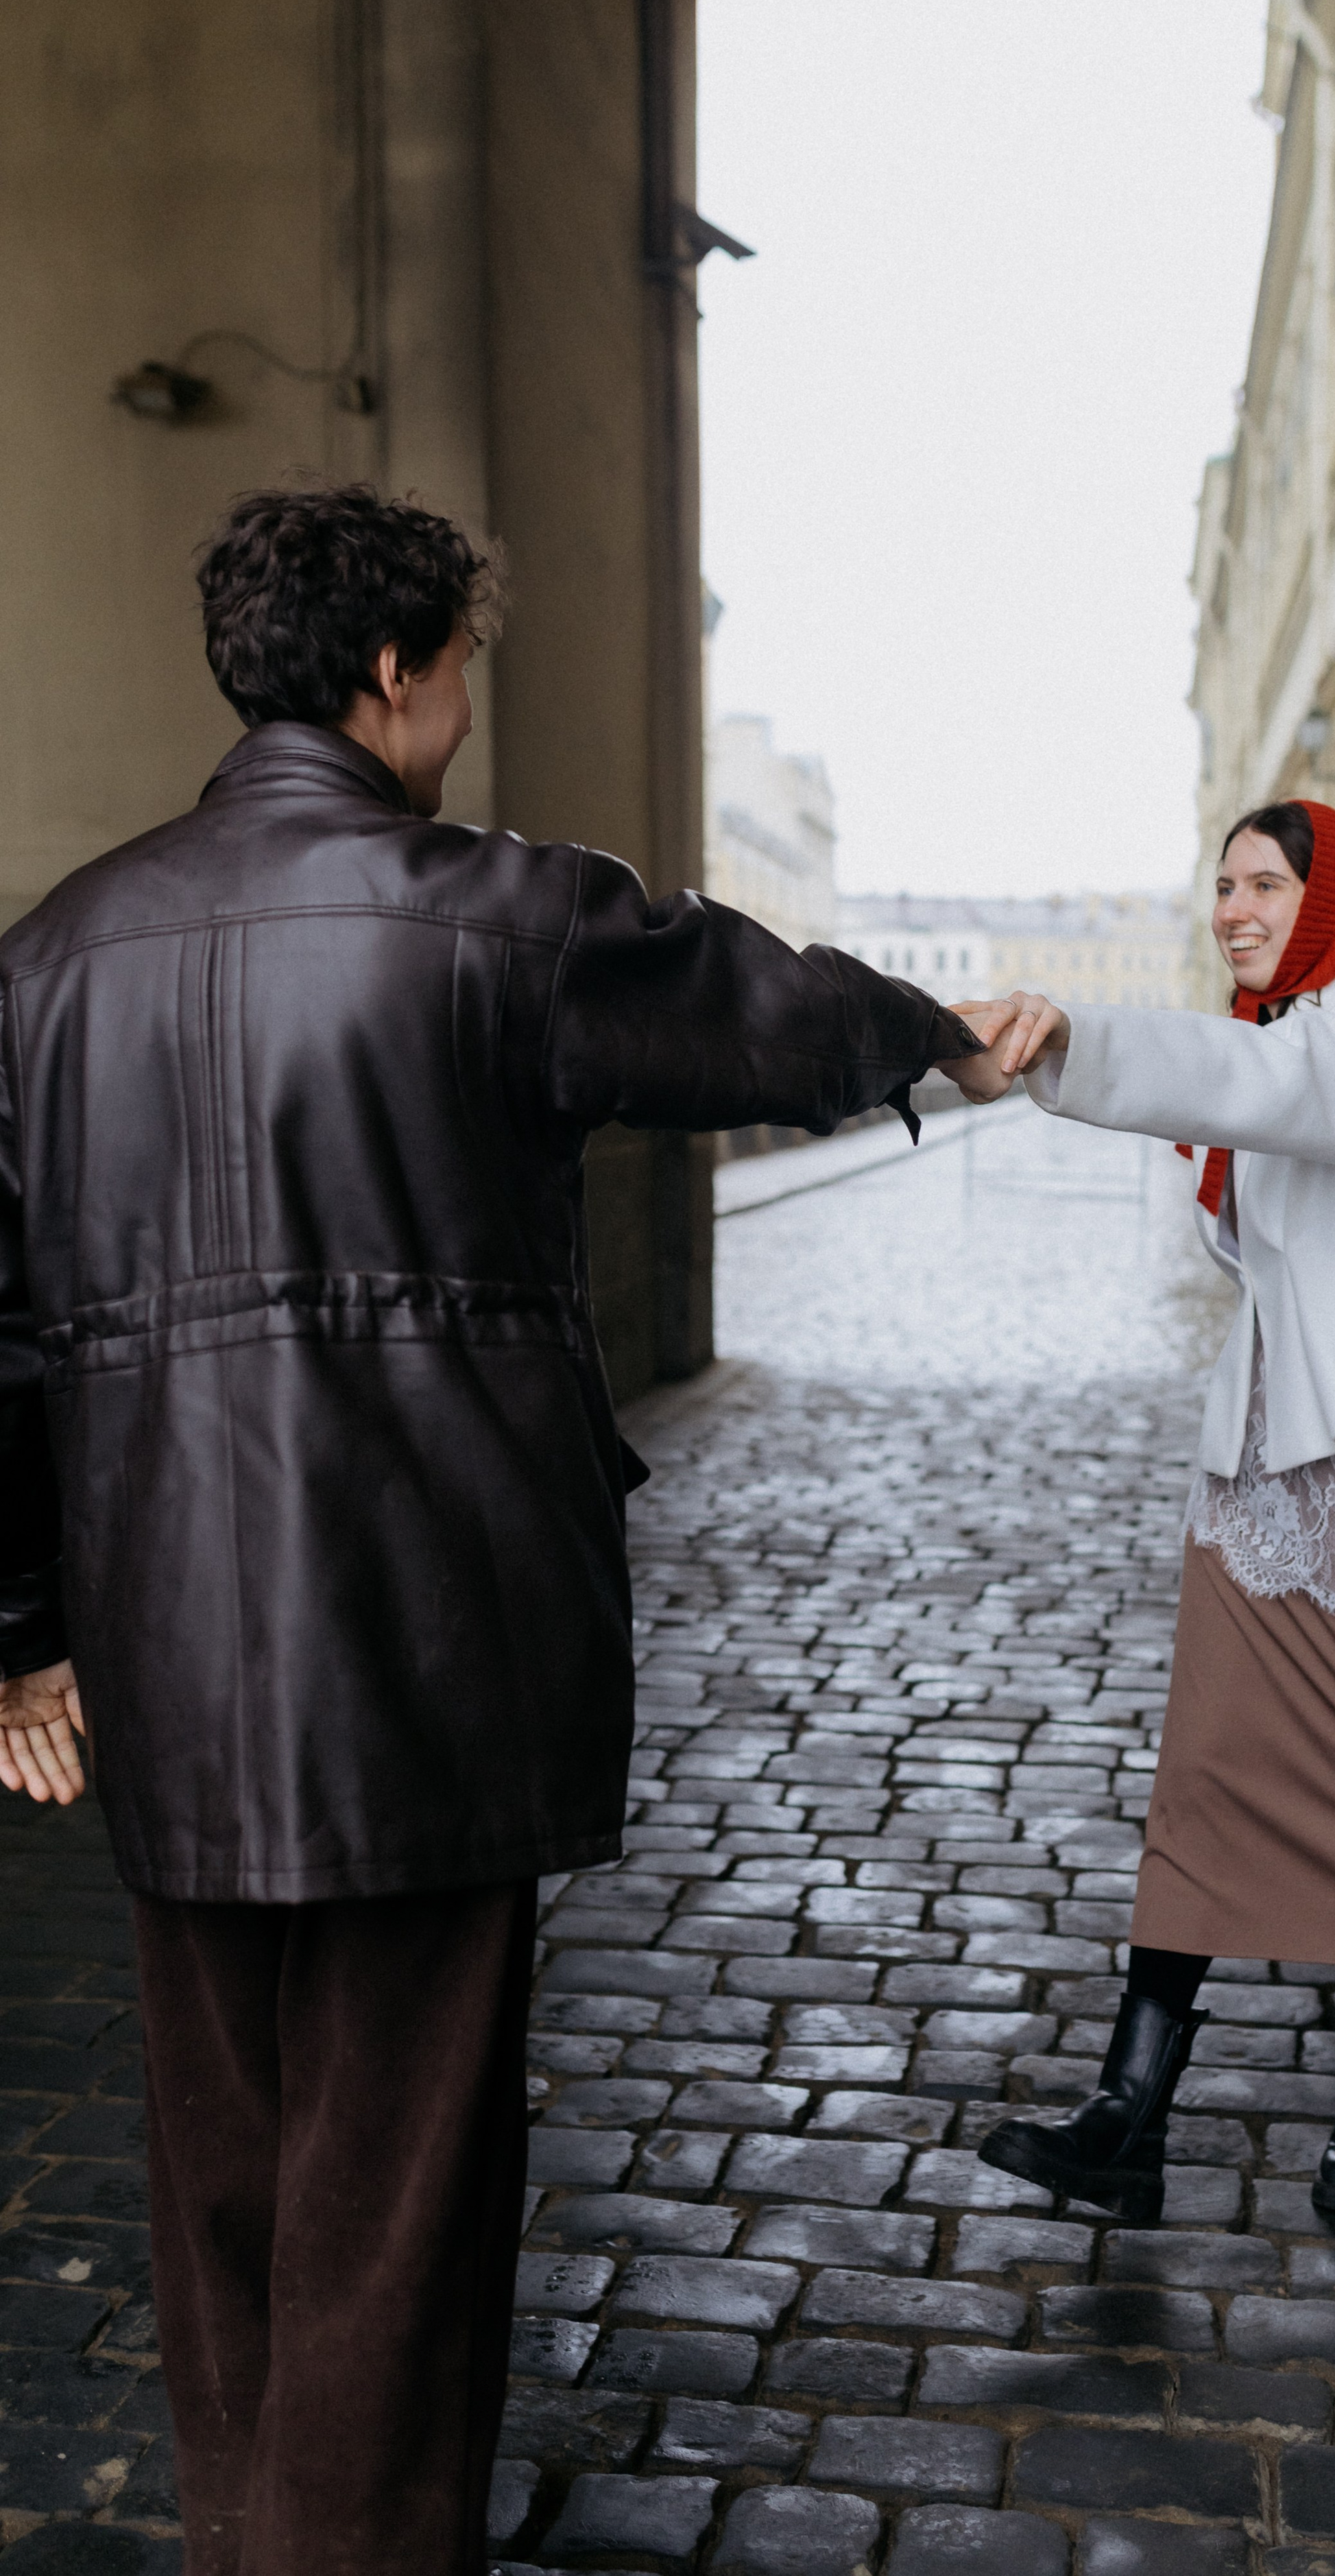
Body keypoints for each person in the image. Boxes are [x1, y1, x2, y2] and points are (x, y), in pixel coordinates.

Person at [0, 483, 987, 2575]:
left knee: (222, 2165)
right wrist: (945, 1037)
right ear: (394, 672)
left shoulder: (51, 954)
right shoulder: (503, 914)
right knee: (399, 2190)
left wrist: (22, 1633)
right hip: (427, 1651)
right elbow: (757, 1012)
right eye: (458, 666)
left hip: (165, 1655)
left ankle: (248, 2534)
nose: (462, 706)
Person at [950, 800, 1335, 2223]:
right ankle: (1128, 2116)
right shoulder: (1280, 1039)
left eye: (1264, 884)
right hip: (1258, 1472)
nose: (1233, 909)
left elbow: (1259, 1084)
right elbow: (1243, 1084)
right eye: (1223, 885)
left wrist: (1072, 1035)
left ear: (1329, 900)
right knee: (1201, 1781)